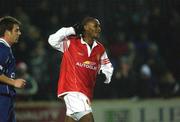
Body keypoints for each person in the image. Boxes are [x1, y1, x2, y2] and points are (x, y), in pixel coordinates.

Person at [48, 16, 114, 122]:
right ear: (86, 27)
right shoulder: (71, 43)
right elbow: (52, 40)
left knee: (71, 119)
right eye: (96, 26)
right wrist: (71, 30)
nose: (99, 29)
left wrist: (106, 77)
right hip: (72, 89)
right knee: (88, 119)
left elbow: (107, 66)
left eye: (100, 26)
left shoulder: (100, 48)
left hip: (86, 93)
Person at [0, 16, 26, 122]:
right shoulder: (2, 49)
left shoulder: (6, 49)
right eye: (16, 30)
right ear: (7, 32)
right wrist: (13, 82)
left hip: (6, 98)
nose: (19, 33)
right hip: (2, 98)